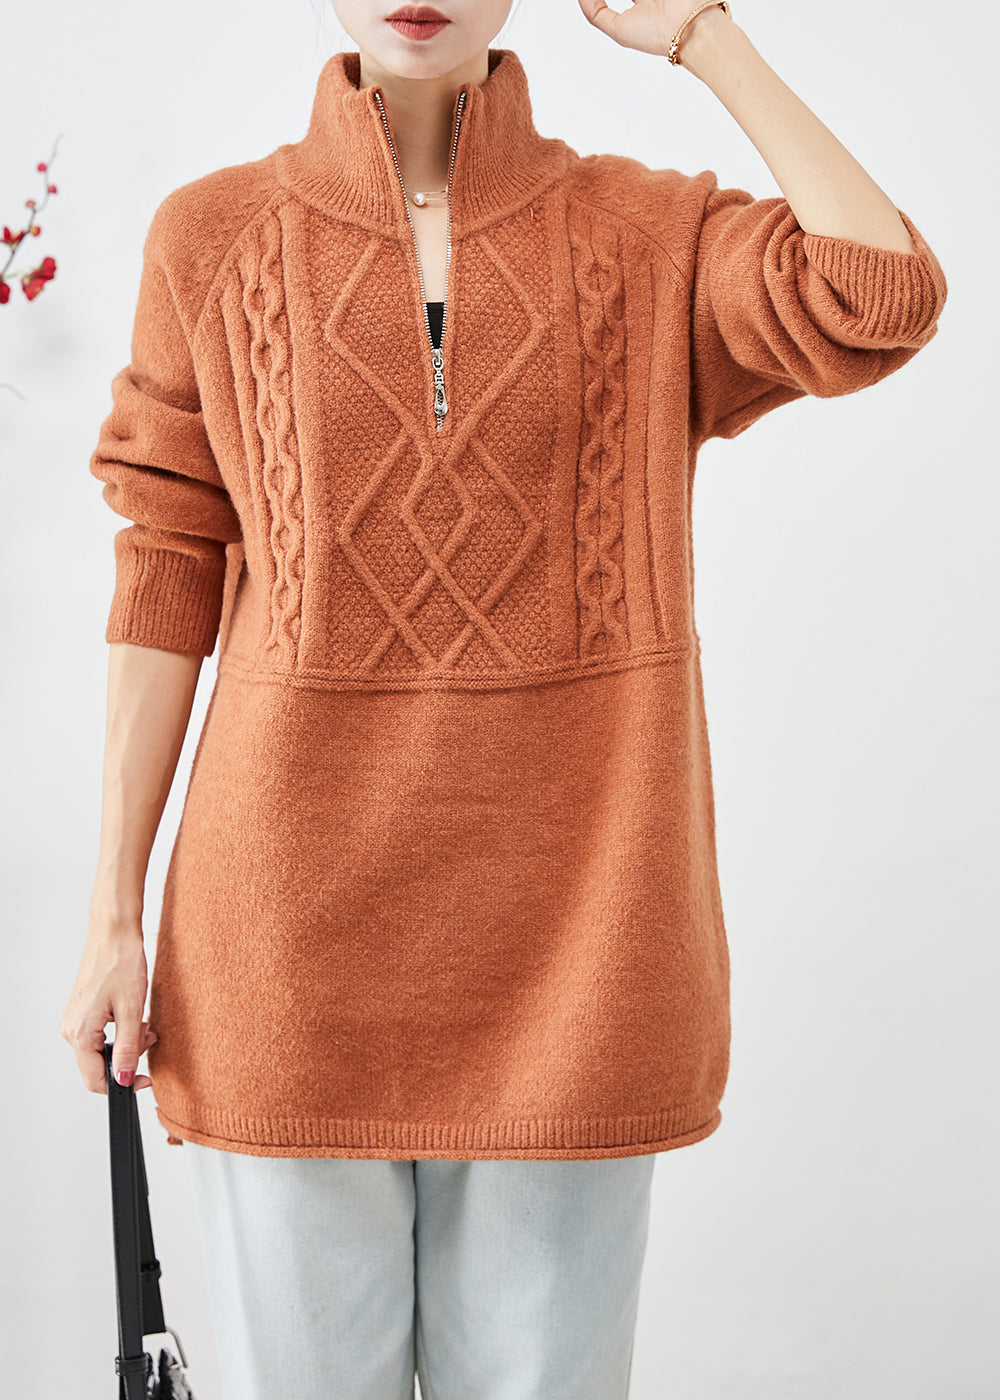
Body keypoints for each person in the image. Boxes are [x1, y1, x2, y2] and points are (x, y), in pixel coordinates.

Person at [59, 2, 947, 1397]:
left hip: (579, 963)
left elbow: (877, 295)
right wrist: (112, 913)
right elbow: (167, 565)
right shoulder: (211, 236)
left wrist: (702, 35)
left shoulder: (647, 234)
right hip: (283, 954)